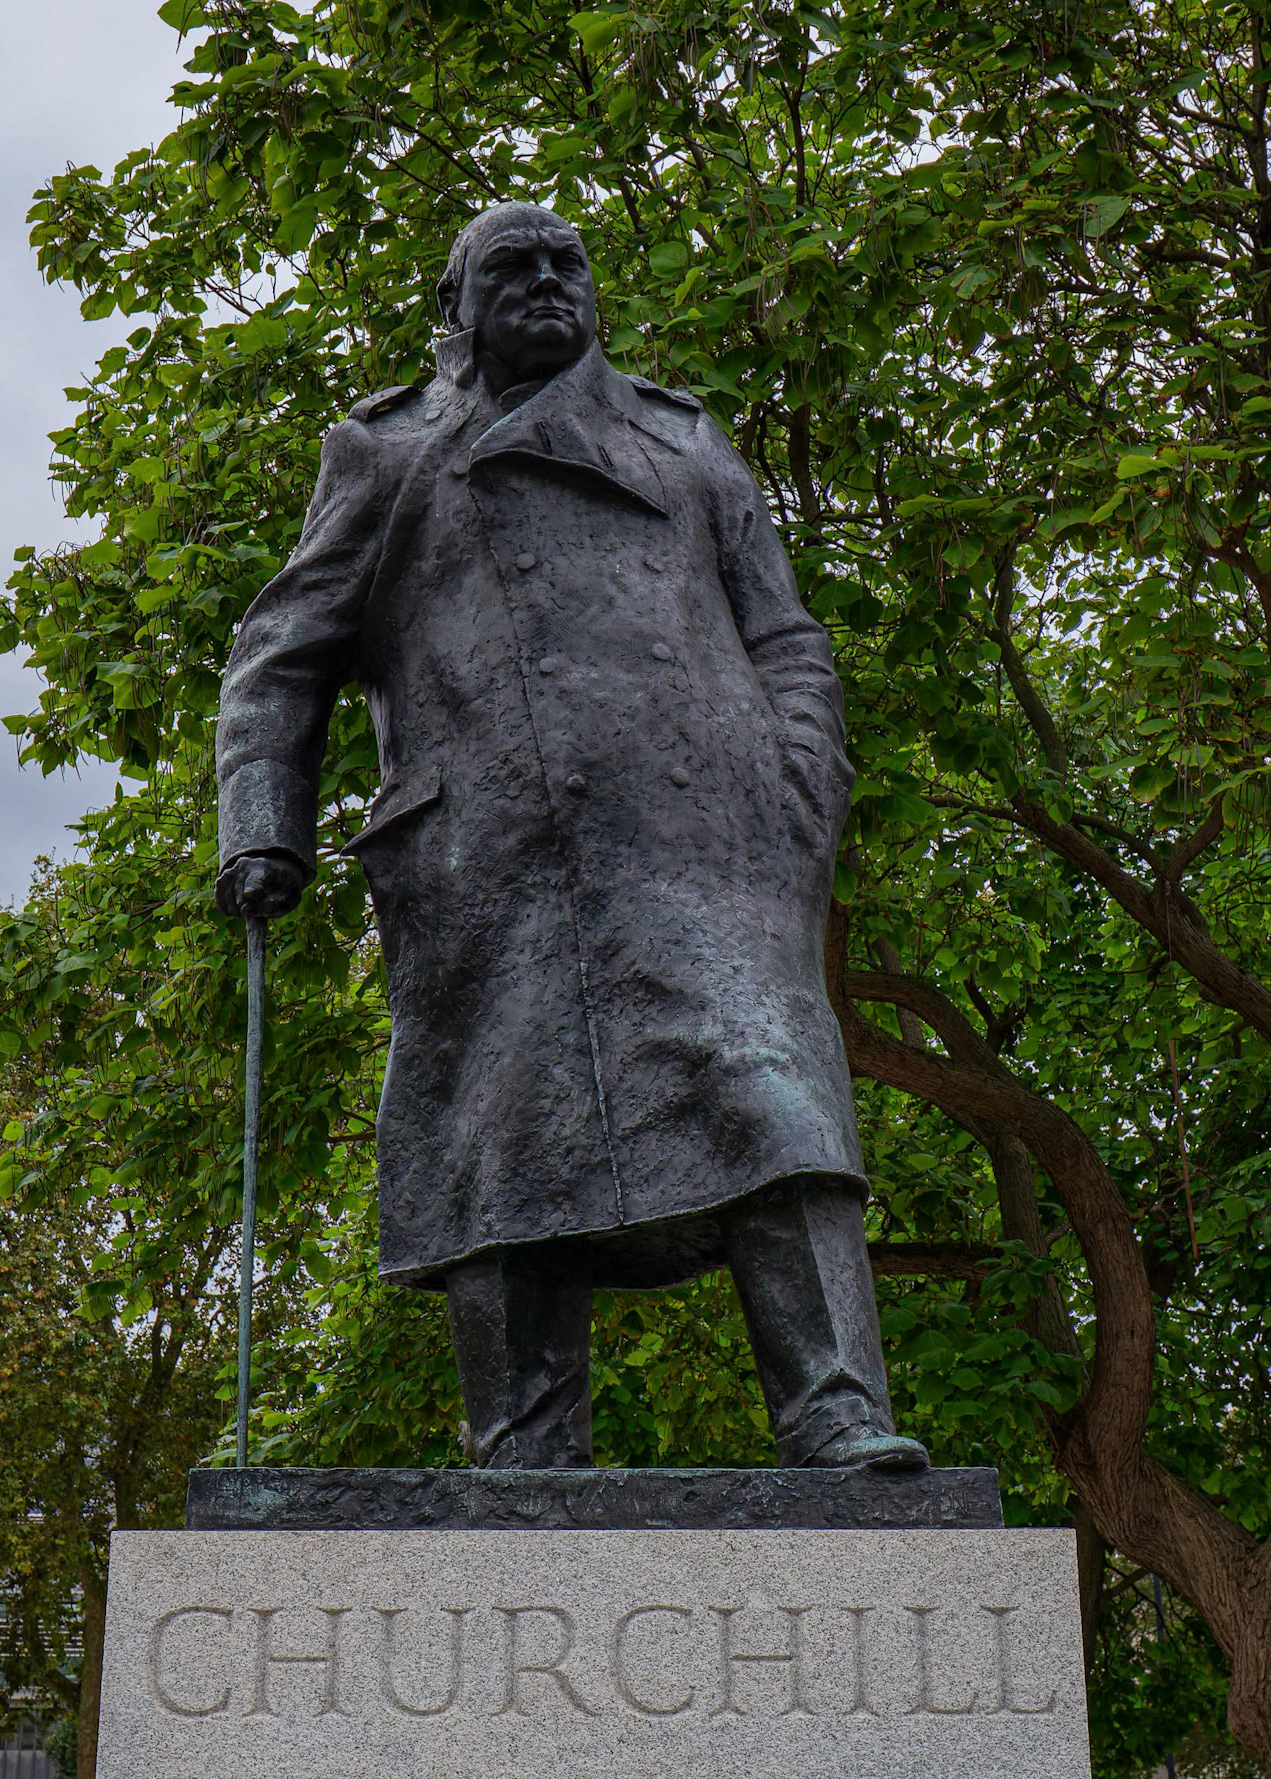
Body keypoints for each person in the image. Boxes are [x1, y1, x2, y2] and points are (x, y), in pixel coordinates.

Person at [214, 197, 930, 1474]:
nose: (549, 281)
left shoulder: (683, 437)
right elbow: (281, 656)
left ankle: (836, 1412)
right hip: (489, 860)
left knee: (780, 1105)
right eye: (514, 267)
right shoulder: (388, 454)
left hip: (708, 841)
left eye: (568, 263)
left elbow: (784, 634)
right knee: (504, 1145)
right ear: (456, 305)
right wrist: (262, 824)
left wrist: (799, 781)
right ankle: (525, 1449)